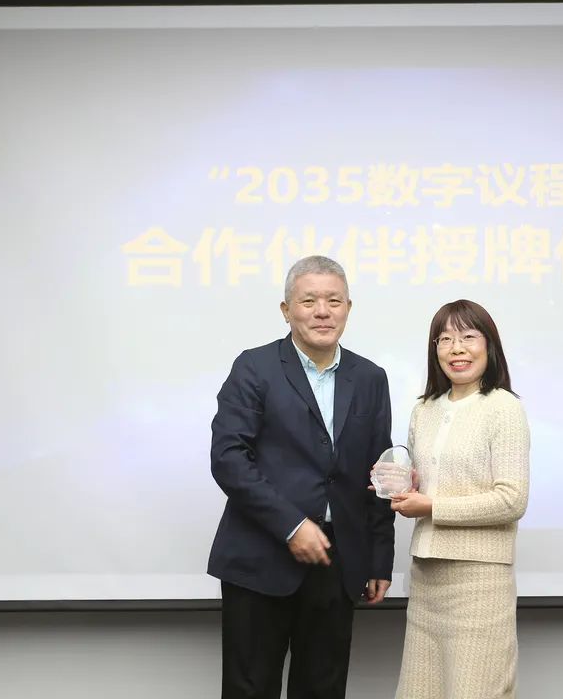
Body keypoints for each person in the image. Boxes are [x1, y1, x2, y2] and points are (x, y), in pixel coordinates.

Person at [208, 255, 395, 699]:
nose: (322, 311)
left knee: (322, 689)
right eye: (309, 301)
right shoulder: (254, 367)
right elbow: (229, 458)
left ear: (349, 307)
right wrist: (291, 525)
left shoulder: (370, 377)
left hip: (337, 561)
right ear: (286, 309)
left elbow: (381, 472)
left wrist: (378, 558)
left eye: (334, 301)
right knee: (249, 690)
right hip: (260, 557)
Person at [389, 299, 530, 699]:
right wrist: (399, 485)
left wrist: (431, 506)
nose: (457, 349)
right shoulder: (424, 410)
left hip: (480, 581)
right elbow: (424, 485)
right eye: (445, 339)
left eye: (468, 337)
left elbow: (512, 500)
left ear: (489, 345)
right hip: (426, 577)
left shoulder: (503, 407)